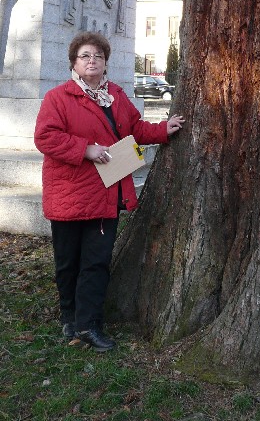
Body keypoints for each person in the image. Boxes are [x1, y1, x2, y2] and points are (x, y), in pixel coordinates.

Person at [34, 32, 184, 352]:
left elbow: (135, 129)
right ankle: (69, 315)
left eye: (98, 56)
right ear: (74, 62)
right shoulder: (58, 98)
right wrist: (84, 149)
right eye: (86, 56)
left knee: (97, 261)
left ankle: (88, 324)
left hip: (106, 191)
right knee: (67, 262)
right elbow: (45, 138)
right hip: (69, 192)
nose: (92, 61)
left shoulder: (115, 95)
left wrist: (163, 131)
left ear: (105, 63)